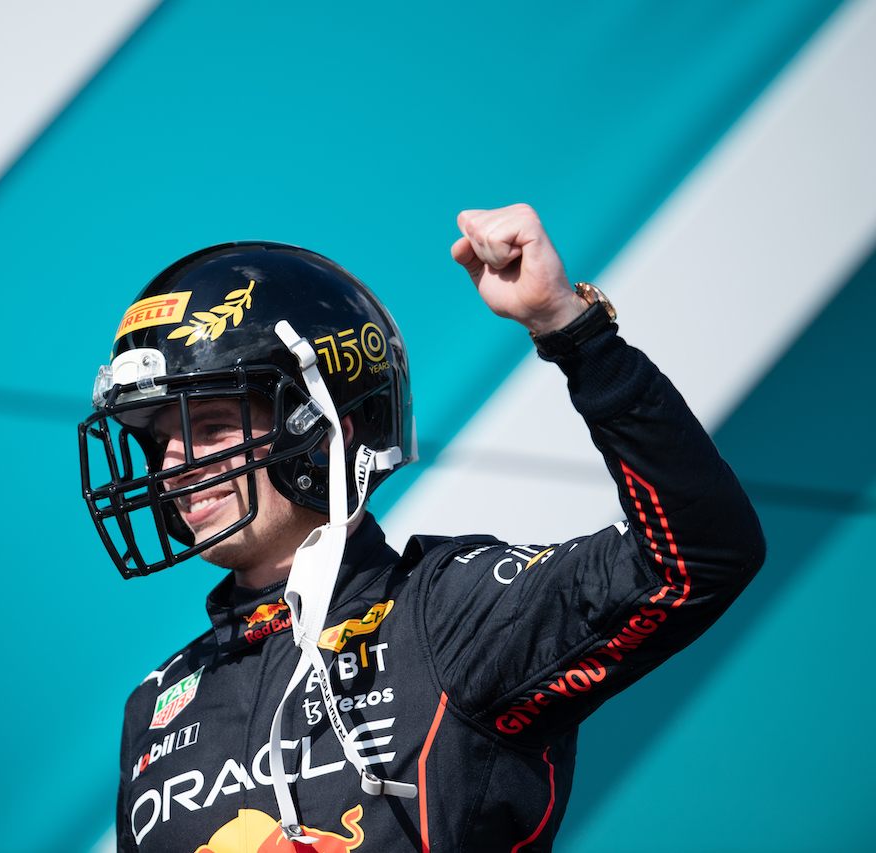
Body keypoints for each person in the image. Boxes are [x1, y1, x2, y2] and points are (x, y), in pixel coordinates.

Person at [79, 204, 764, 852]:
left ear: (324, 434)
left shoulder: (448, 611)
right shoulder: (157, 702)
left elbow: (698, 557)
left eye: (211, 427)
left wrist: (573, 329)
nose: (173, 465)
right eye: (160, 438)